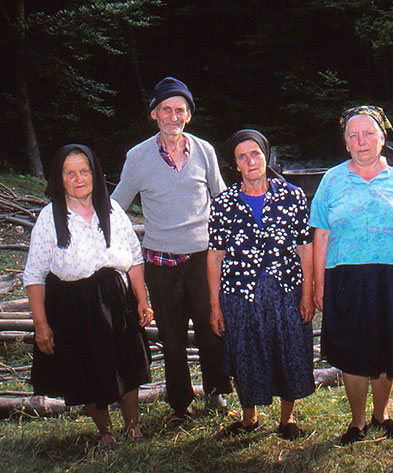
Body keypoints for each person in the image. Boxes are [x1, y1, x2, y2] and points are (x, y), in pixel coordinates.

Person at [310, 106, 393, 445]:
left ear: (382, 138)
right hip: (346, 278)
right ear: (346, 143)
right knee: (353, 351)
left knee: (386, 349)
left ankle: (382, 414)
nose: (361, 141)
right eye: (354, 135)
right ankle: (357, 422)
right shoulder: (332, 180)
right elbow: (319, 233)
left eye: (369, 134)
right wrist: (318, 284)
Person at [112, 77, 232, 422]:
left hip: (202, 261)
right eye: (166, 109)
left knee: (211, 330)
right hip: (160, 263)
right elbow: (117, 205)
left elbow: (221, 200)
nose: (173, 116)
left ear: (189, 116)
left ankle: (216, 393)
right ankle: (180, 403)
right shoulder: (138, 157)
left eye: (180, 110)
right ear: (154, 114)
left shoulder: (205, 151)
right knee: (172, 337)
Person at [24, 144, 153, 448]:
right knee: (86, 372)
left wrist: (142, 299)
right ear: (60, 178)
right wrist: (41, 325)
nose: (79, 178)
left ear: (95, 174)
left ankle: (134, 428)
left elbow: (135, 257)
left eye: (85, 171)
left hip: (116, 301)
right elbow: (34, 275)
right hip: (72, 306)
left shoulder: (112, 210)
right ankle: (105, 433)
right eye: (70, 172)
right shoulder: (48, 218)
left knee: (126, 368)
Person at [207, 129, 315, 440]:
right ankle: (249, 417)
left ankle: (287, 419)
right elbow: (215, 256)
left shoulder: (291, 196)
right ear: (235, 164)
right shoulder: (223, 203)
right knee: (245, 353)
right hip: (240, 294)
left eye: (255, 153)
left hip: (285, 291)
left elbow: (304, 247)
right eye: (242, 156)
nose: (250, 161)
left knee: (289, 351)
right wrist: (215, 304)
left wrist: (306, 293)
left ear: (266, 156)